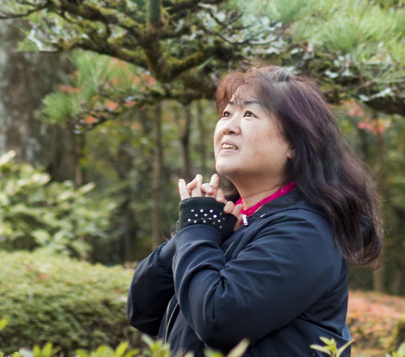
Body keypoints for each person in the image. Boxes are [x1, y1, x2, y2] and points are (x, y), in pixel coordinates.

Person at [127, 66, 382, 357]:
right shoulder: (234, 222)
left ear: (295, 145)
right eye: (226, 114)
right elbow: (143, 311)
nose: (228, 126)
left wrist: (197, 231)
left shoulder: (307, 231)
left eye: (249, 114)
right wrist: (192, 233)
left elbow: (218, 320)